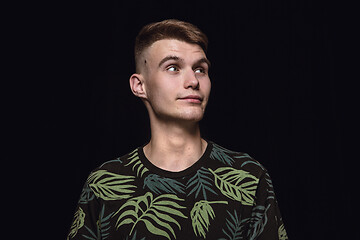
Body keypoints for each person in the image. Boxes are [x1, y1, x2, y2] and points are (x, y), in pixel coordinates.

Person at [67, 19, 288, 240]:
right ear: (139, 86)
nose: (193, 81)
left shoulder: (248, 176)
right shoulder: (104, 183)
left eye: (200, 69)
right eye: (173, 67)